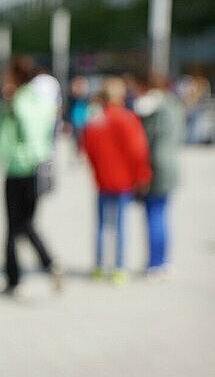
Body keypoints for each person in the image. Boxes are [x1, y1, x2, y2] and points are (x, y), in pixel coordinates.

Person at [0, 56, 63, 296]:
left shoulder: (14, 102)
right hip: (39, 166)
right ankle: (49, 264)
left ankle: (15, 278)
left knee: (14, 227)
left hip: (17, 168)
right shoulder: (43, 100)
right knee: (27, 222)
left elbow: (3, 139)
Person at [82, 77, 152, 285]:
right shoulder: (127, 119)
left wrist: (97, 171)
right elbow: (137, 151)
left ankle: (99, 264)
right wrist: (142, 176)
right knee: (121, 225)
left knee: (102, 224)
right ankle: (119, 267)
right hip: (123, 181)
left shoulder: (95, 120)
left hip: (103, 179)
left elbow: (89, 150)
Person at [134, 74, 185, 279]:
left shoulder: (150, 107)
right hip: (172, 164)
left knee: (154, 215)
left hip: (156, 166)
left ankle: (154, 263)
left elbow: (145, 142)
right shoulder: (174, 105)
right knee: (162, 215)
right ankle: (163, 261)